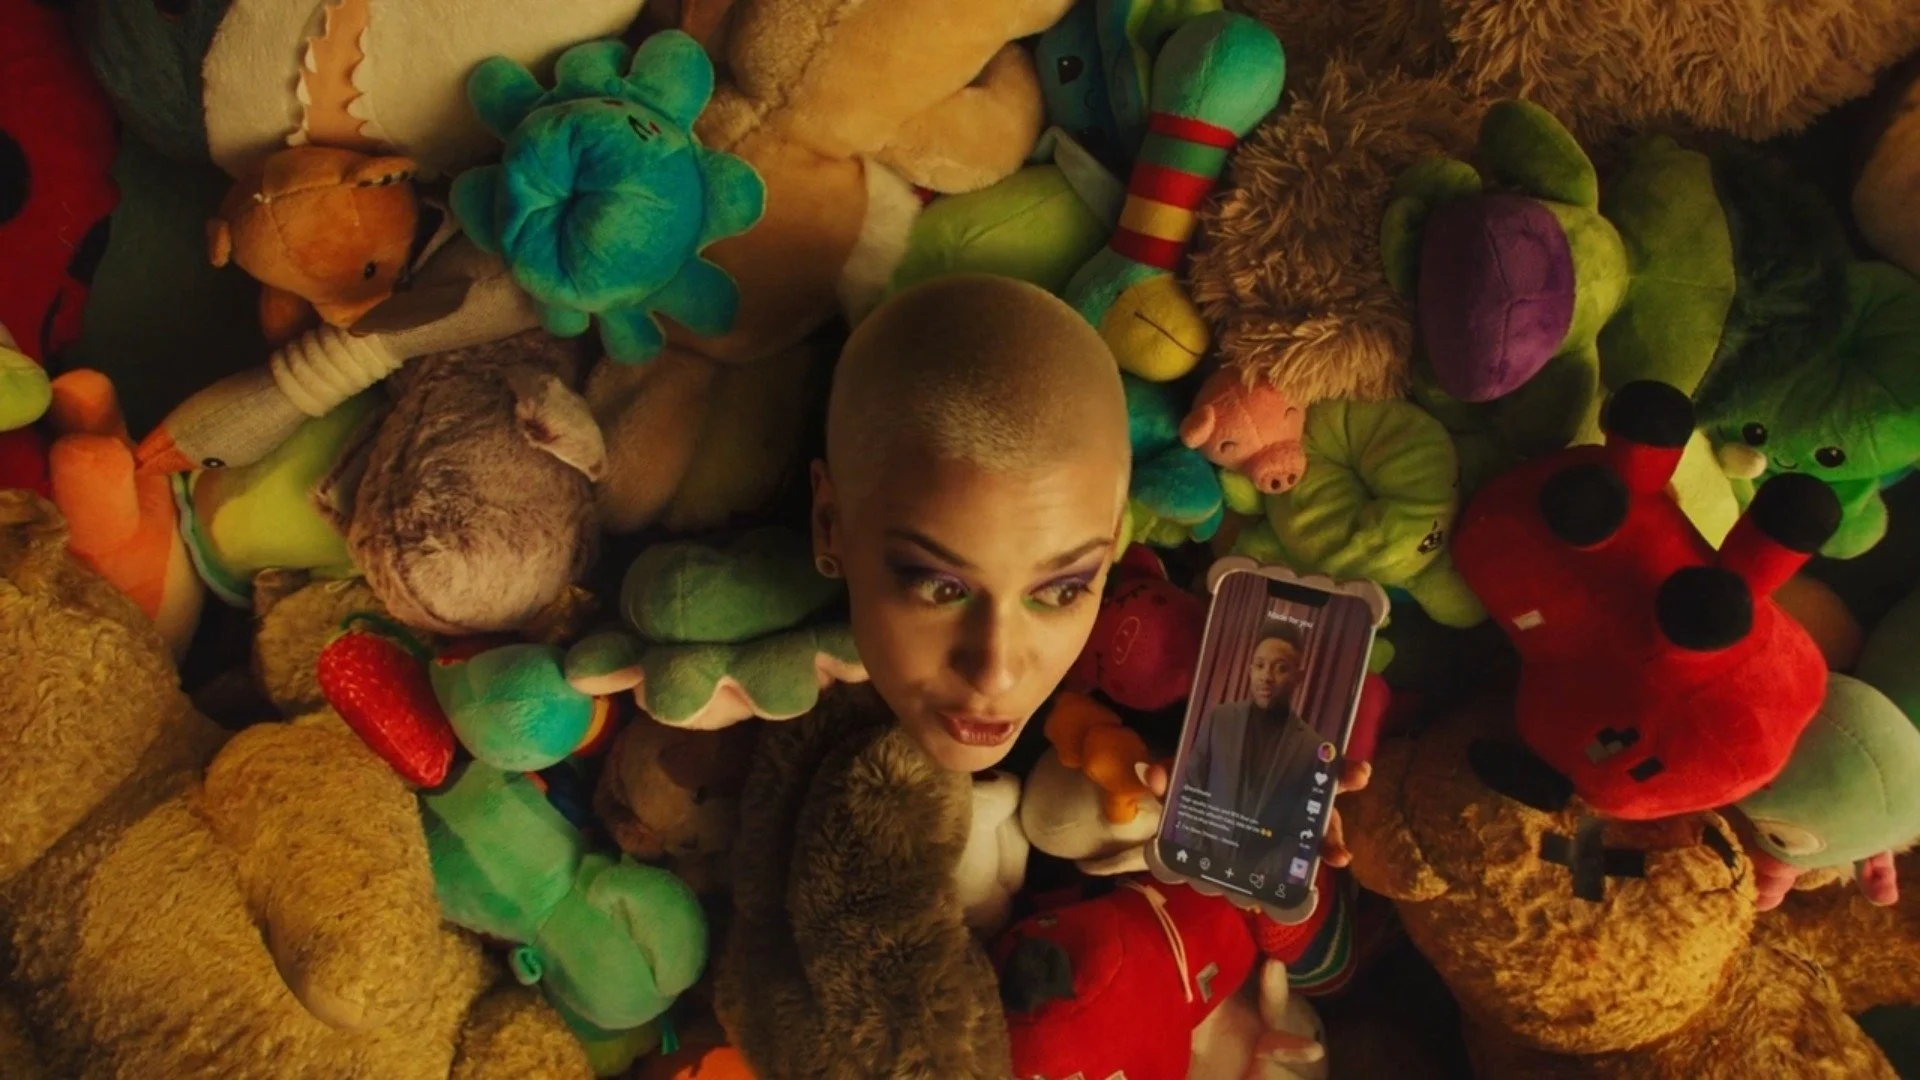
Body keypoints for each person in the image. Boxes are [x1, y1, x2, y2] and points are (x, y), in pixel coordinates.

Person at [713, 275, 1367, 1079]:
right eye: (939, 587)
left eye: (1061, 590)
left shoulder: (1176, 729)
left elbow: (1332, 978)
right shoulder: (769, 723)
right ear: (831, 525)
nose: (996, 670)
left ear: (1114, 546)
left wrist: (1280, 867)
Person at [1174, 630, 1337, 886]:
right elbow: (1191, 789)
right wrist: (1199, 855)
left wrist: (1254, 877)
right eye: (1260, 665)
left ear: (1298, 677)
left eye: (1281, 668)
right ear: (1249, 670)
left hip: (1259, 883)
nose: (1266, 677)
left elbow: (1300, 831)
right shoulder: (1220, 718)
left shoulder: (1312, 747)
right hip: (1195, 864)